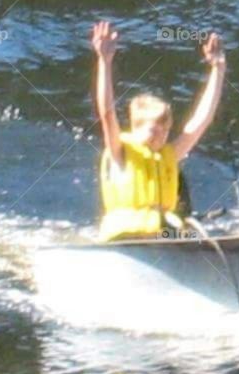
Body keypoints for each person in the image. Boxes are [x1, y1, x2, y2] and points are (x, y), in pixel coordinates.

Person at [91, 21, 226, 242]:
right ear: (135, 128)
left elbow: (202, 120)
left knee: (180, 230)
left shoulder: (168, 154)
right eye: (154, 132)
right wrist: (104, 61)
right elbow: (107, 112)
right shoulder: (120, 151)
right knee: (169, 229)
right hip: (124, 237)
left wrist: (218, 69)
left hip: (161, 234)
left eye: (164, 132)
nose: (160, 138)